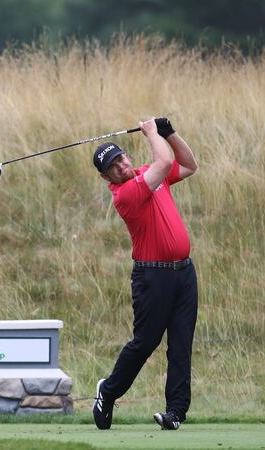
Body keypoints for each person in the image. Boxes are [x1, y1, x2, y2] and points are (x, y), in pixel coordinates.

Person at [91, 117, 199, 431]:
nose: (121, 166)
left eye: (121, 158)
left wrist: (170, 133)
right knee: (145, 342)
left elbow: (189, 165)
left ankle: (176, 412)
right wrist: (153, 132)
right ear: (105, 177)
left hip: (184, 273)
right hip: (152, 279)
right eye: (113, 166)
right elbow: (164, 161)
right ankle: (108, 392)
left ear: (128, 156)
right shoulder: (125, 194)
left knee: (181, 344)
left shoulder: (147, 175)